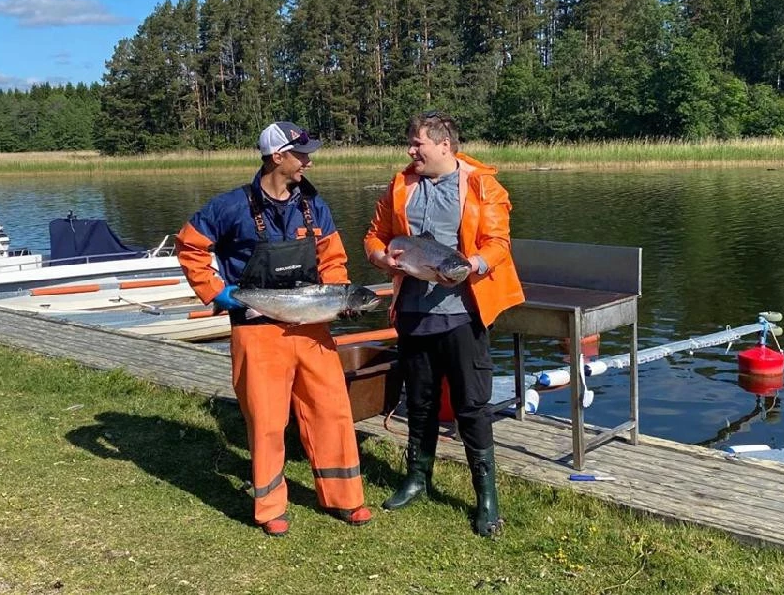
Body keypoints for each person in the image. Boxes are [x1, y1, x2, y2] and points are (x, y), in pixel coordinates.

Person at [176, 121, 371, 537]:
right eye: (301, 155)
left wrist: (339, 296)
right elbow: (189, 246)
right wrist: (216, 291)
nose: (309, 161)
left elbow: (332, 256)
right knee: (266, 421)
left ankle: (345, 498)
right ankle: (270, 507)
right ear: (277, 157)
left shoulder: (313, 204)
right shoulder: (229, 207)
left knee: (331, 410)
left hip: (312, 327)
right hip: (257, 331)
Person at [363, 110, 525, 537]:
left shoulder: (479, 184)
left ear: (443, 146)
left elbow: (499, 243)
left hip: (464, 313)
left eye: (417, 144)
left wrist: (473, 264)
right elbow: (375, 236)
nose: (410, 151)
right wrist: (380, 257)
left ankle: (485, 495)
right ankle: (418, 478)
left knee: (472, 405)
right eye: (410, 144)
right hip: (414, 314)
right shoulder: (401, 186)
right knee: (420, 401)